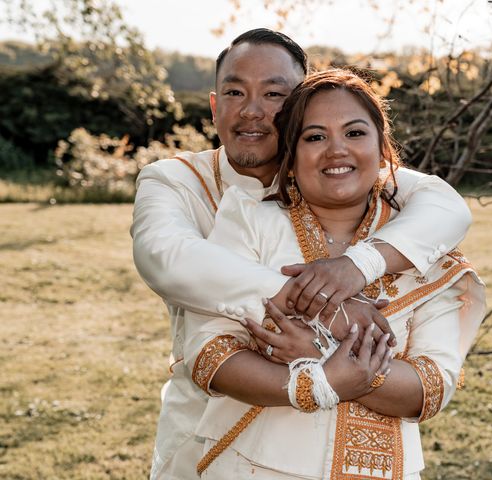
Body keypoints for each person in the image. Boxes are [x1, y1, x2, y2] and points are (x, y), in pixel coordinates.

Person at [131, 29, 472, 480]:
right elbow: (167, 258)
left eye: (274, 93)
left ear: (298, 105)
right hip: (209, 436)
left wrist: (356, 267)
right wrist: (325, 308)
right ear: (215, 106)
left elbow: (447, 205)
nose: (252, 110)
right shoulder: (178, 182)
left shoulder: (358, 176)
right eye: (235, 91)